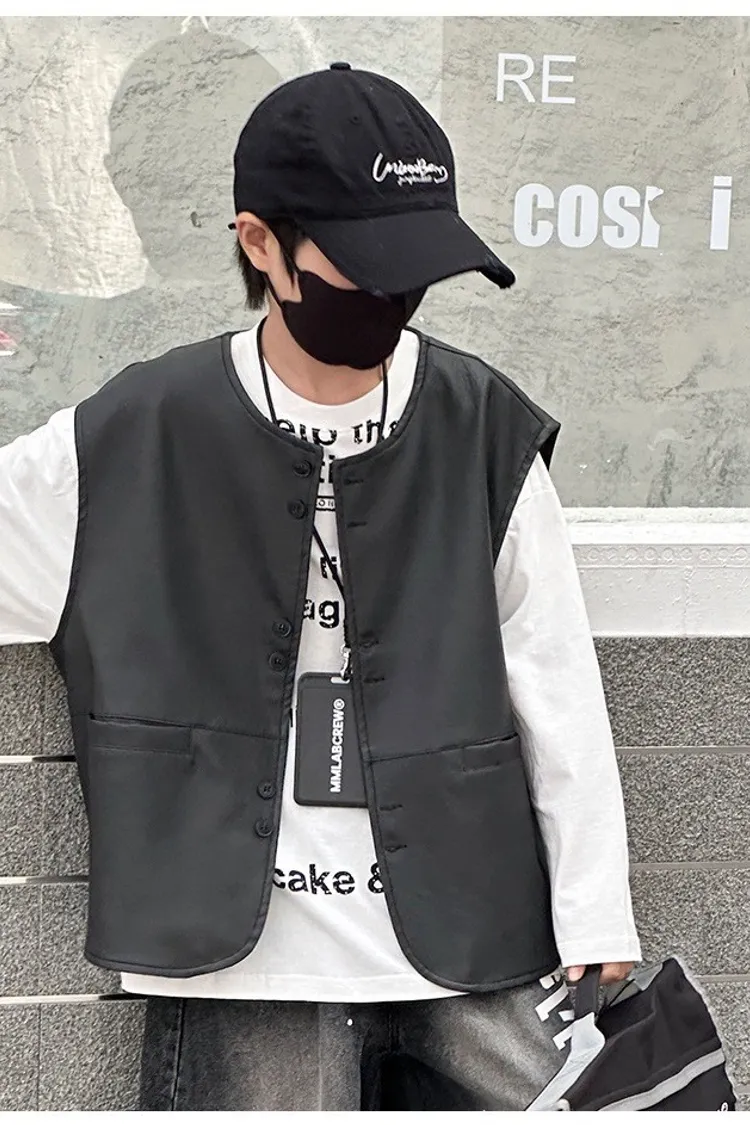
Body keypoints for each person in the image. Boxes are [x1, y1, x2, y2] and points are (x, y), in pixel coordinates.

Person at [0, 62, 641, 1111]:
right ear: (260, 243)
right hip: (239, 965)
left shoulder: (482, 427)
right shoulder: (132, 435)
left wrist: (596, 906)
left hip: (472, 937)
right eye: (363, 266)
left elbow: (555, 676)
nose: (389, 299)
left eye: (414, 270)